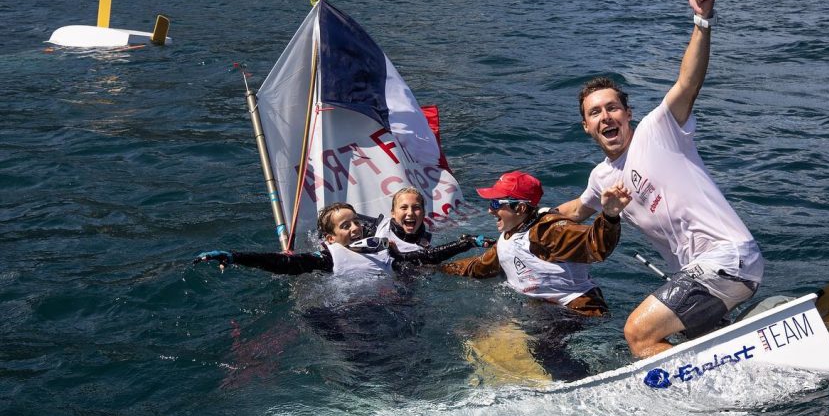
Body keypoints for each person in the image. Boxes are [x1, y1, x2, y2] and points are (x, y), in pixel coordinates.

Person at [556, 0, 764, 359]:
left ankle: (677, 407)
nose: (606, 117)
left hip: (729, 257)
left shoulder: (659, 129)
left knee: (638, 333)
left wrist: (702, 21)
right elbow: (576, 210)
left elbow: (688, 82)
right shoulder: (601, 177)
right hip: (702, 274)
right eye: (595, 113)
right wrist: (528, 219)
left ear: (628, 113)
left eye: (612, 107)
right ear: (586, 127)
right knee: (691, 345)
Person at [442, 170, 630, 316]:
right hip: (545, 311)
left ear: (521, 208)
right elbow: (478, 267)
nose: (490, 211)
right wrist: (435, 267)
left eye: (497, 204)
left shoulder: (548, 230)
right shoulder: (510, 235)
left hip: (580, 312)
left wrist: (610, 216)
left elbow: (595, 245)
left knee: (541, 351)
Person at [195, 202, 488, 278]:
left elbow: (424, 258)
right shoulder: (328, 258)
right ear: (330, 237)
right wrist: (236, 256)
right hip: (342, 316)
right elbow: (282, 263)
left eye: (356, 222)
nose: (355, 228)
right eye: (345, 225)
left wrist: (466, 243)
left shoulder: (385, 251)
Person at [372, 187, 432, 253]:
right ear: (393, 213)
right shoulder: (379, 226)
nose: (410, 213)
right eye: (404, 207)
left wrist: (397, 256)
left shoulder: (427, 247)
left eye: (416, 207)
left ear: (423, 213)